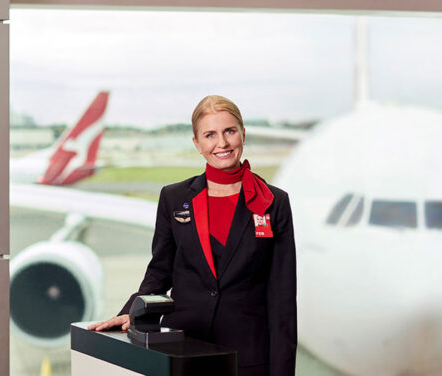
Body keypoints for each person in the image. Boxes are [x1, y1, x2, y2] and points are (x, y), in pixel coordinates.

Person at [88, 95, 297, 376]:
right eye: (210, 135)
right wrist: (131, 312)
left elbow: (282, 300)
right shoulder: (174, 198)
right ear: (197, 144)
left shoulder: (274, 202)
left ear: (243, 134)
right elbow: (159, 272)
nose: (221, 143)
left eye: (229, 131)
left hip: (247, 357)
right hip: (184, 350)